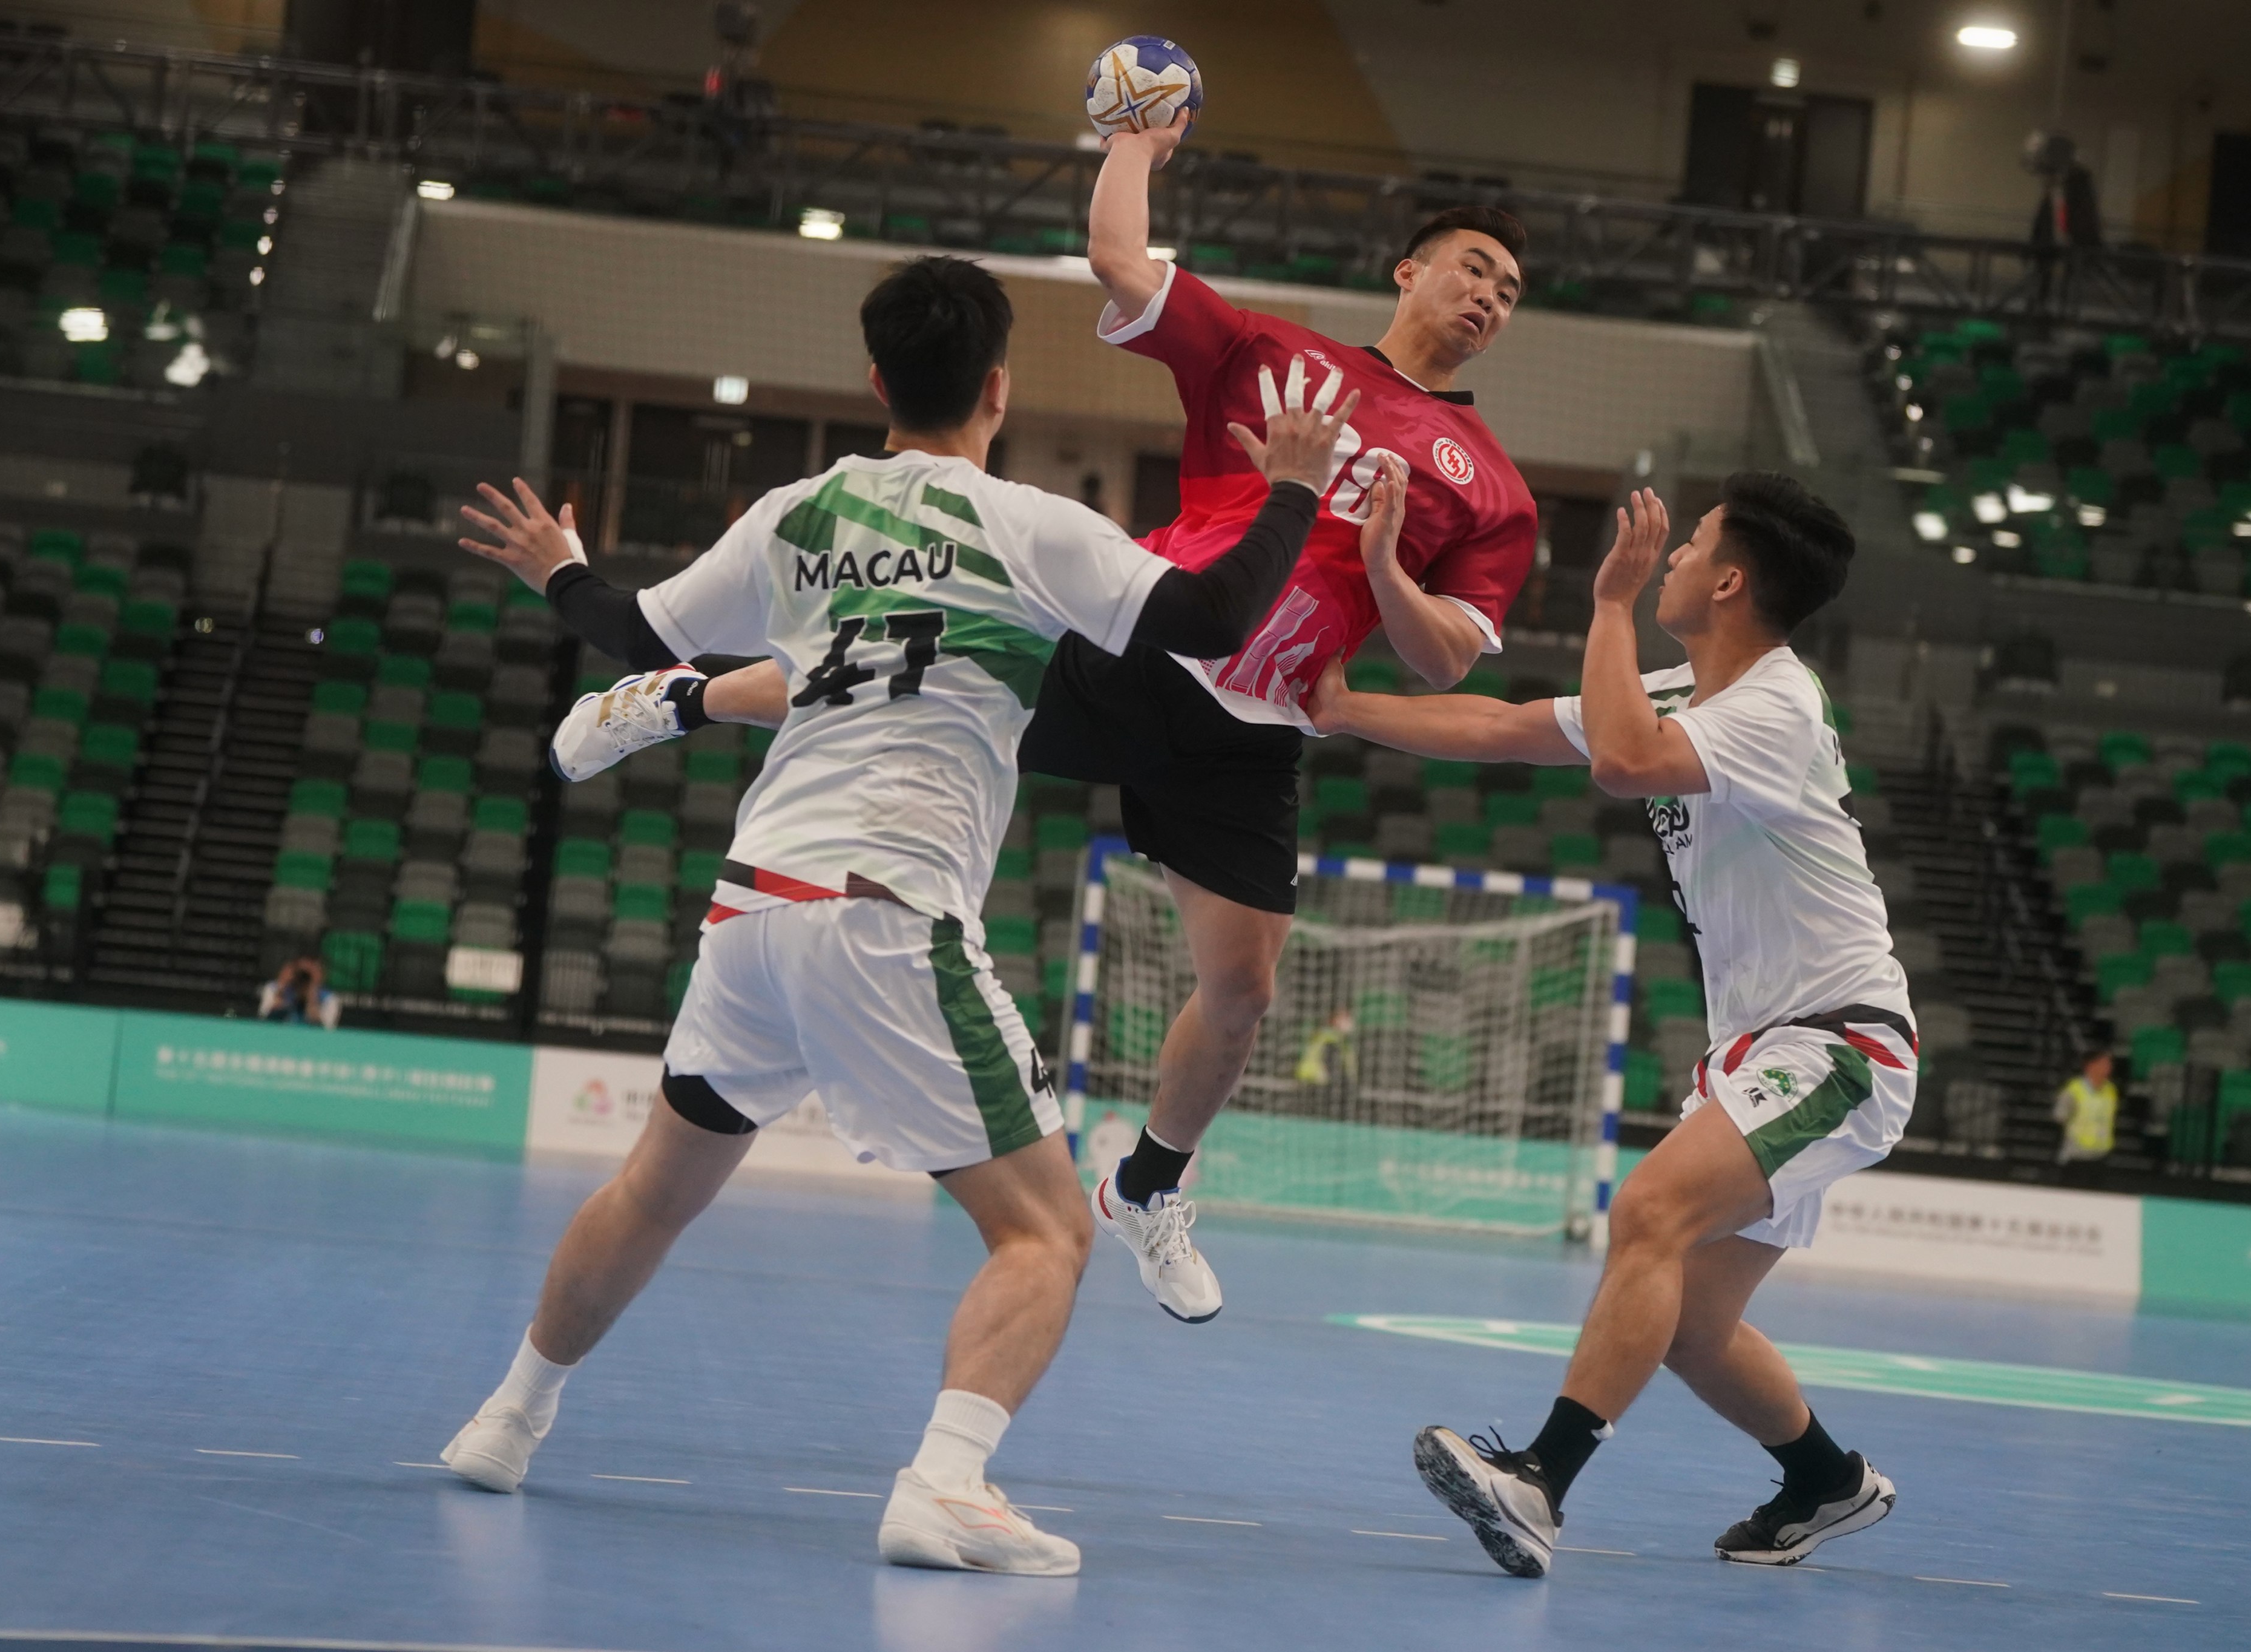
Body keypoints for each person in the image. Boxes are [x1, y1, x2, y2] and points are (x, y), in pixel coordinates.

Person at [441, 254, 1361, 1576]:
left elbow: (642, 630)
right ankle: (946, 1485)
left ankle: (506, 1419)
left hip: (753, 905)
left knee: (652, 1189)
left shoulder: (796, 514)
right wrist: (1291, 485)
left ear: (876, 383)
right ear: (999, 387)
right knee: (1045, 1229)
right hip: (886, 913)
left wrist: (560, 567)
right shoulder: (1028, 525)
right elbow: (1215, 618)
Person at [551, 116, 1540, 1324]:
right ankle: (679, 696)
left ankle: (1149, 1187)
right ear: (1410, 269)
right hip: (1136, 646)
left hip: (1256, 726)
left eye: (1508, 289)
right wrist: (1134, 140)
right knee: (918, 662)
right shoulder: (1275, 355)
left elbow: (1443, 661)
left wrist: (1388, 567)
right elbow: (1122, 263)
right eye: (1472, 267)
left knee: (1242, 996)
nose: (1488, 295)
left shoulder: (1493, 487)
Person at [1303, 472, 1915, 1578]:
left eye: (1691, 545)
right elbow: (1502, 725)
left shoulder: (1776, 703)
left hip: (1841, 1041)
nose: (1671, 553)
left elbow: (1626, 765)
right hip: (1764, 1047)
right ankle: (1827, 1482)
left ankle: (1539, 1480)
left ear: (1729, 581)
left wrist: (1610, 606)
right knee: (1688, 1323)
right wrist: (1344, 711)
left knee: (1646, 1214)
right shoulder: (1685, 695)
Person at [2053, 1046, 2117, 1167]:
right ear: (2091, 1066)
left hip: (2101, 1155)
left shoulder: (2111, 1090)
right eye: (2104, 1063)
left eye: (2109, 1064)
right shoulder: (2074, 1090)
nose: (2109, 1067)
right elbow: (2060, 1116)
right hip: (2077, 1156)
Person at [257, 955, 338, 1028]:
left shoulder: (330, 998)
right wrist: (283, 986)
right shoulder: (273, 989)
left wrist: (312, 992)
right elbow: (265, 1018)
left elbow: (324, 1028)